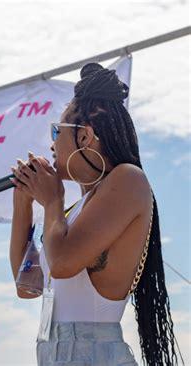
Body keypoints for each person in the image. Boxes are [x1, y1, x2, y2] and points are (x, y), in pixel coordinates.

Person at [10, 63, 180, 365]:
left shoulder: (128, 180)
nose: (51, 144)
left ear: (85, 137)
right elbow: (28, 286)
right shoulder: (76, 210)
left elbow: (62, 263)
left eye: (56, 130)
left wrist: (52, 200)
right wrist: (22, 205)